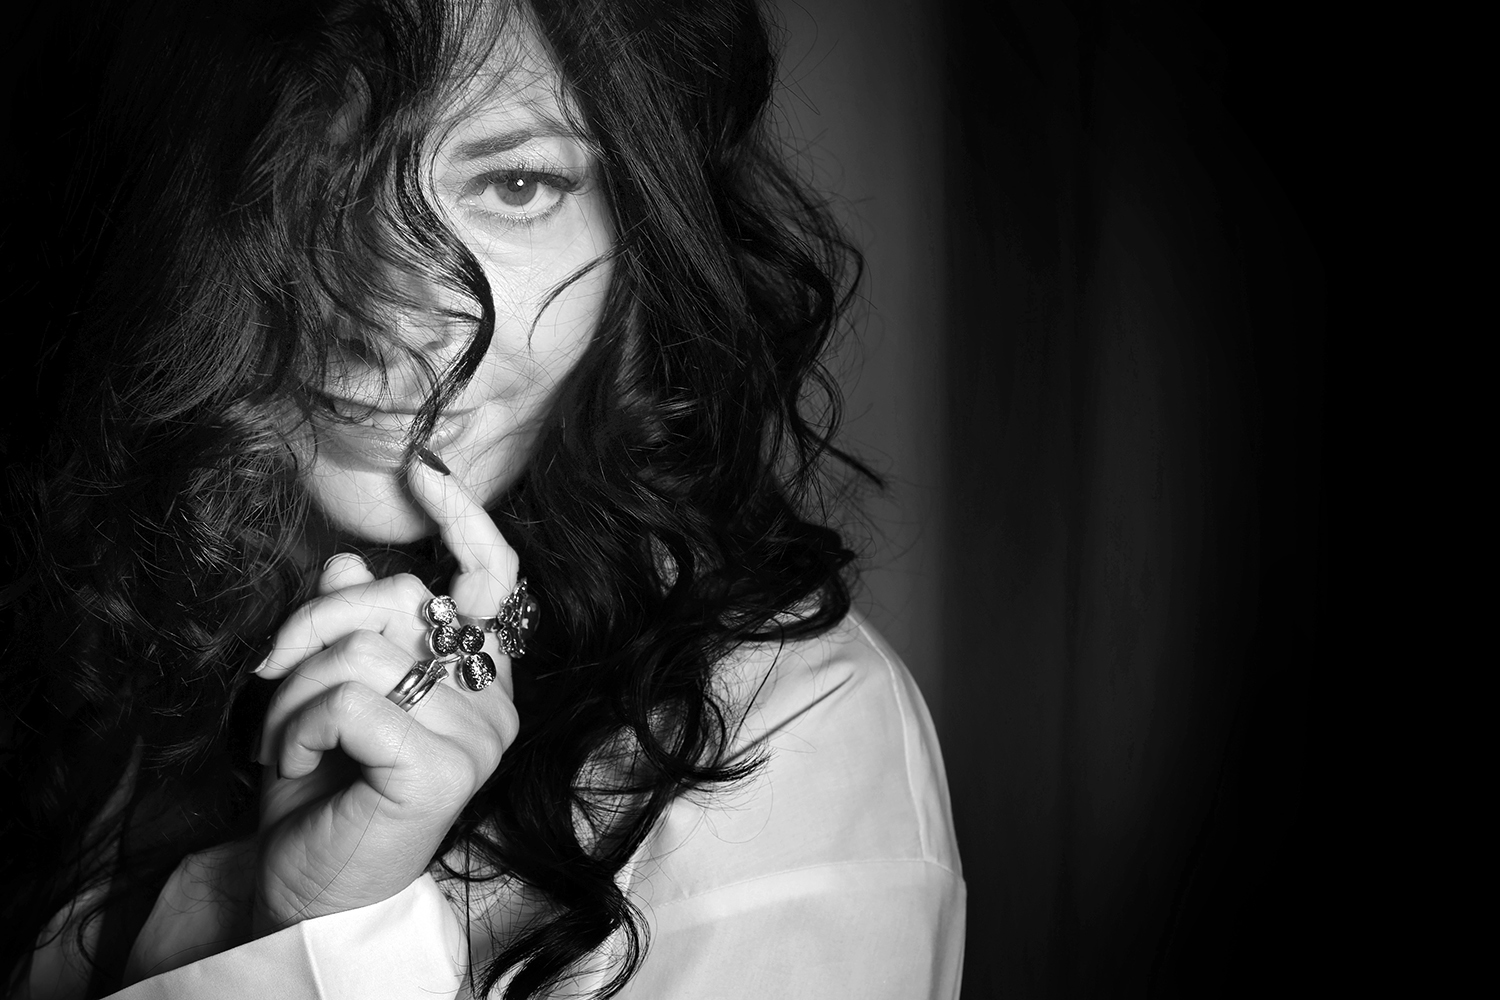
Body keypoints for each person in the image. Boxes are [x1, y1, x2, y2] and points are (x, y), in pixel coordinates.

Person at [0, 0, 965, 996]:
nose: (402, 318)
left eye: (515, 184)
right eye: (309, 178)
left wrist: (332, 929)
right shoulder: (74, 607)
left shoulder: (793, 741)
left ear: (639, 230)